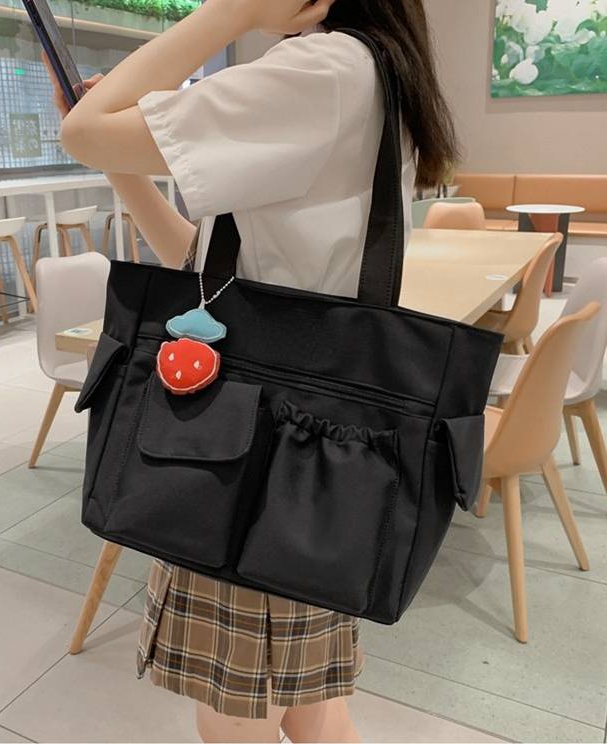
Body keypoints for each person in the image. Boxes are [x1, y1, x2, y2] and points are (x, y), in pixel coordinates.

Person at [48, 0, 457, 740]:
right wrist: (118, 152)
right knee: (308, 703)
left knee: (236, 718)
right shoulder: (363, 67)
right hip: (304, 458)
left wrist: (232, 13)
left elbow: (81, 131)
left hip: (244, 462)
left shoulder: (319, 67)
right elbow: (203, 267)